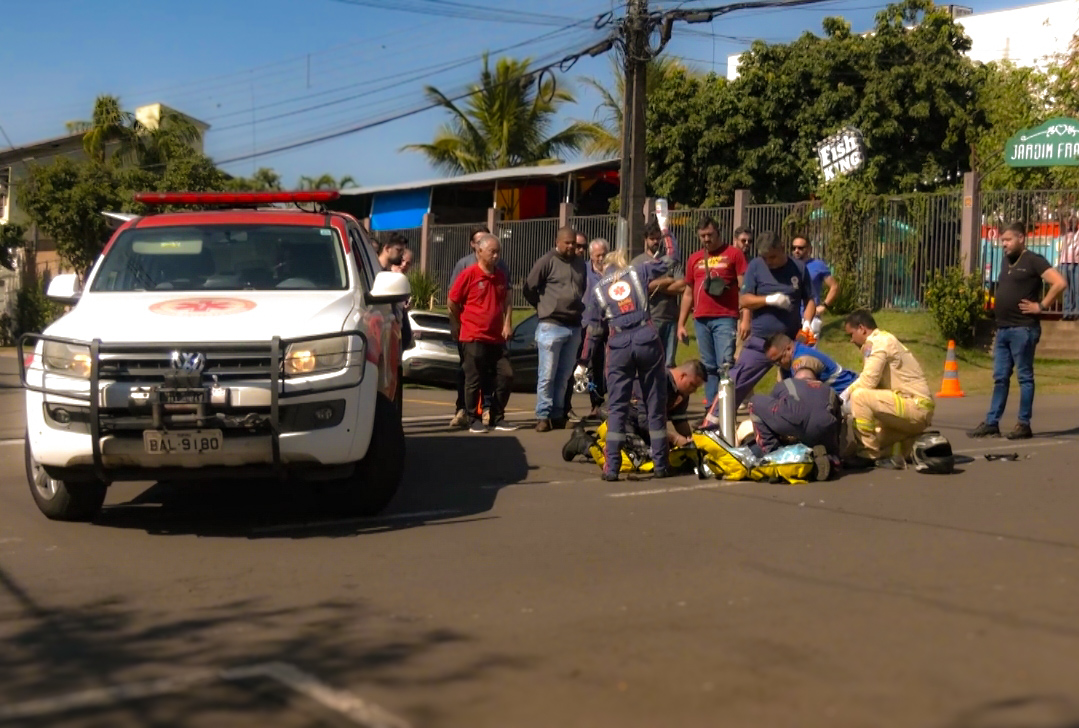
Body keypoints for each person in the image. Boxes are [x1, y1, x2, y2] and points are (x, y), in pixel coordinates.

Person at [577, 250, 676, 479]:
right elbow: (671, 260)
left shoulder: (598, 289)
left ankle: (612, 468)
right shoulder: (638, 271)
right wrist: (666, 230)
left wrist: (583, 361)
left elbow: (592, 330)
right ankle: (661, 464)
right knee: (654, 402)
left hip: (619, 345)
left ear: (604, 268)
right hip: (647, 338)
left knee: (617, 407)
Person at [968, 222, 1067, 439]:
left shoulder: (1033, 260)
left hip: (1024, 329)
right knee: (1000, 377)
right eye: (1002, 240)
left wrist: (1041, 306)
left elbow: (1059, 283)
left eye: (1008, 240)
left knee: (1024, 377)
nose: (1003, 244)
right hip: (1003, 330)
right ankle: (992, 422)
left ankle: (1023, 424)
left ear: (1021, 238)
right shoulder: (1006, 261)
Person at [725, 230, 816, 408]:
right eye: (765, 258)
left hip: (790, 342)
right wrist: (768, 299)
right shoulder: (756, 266)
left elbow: (810, 299)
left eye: (773, 257)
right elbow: (744, 299)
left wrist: (807, 323)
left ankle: (795, 425)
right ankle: (716, 422)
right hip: (761, 340)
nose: (769, 262)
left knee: (800, 388)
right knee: (735, 382)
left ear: (782, 248)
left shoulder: (798, 268)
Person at [562, 360, 707, 462]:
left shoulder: (681, 393)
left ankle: (604, 441)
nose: (693, 391)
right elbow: (645, 421)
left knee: (667, 452)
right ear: (683, 376)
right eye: (693, 385)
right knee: (639, 455)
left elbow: (679, 420)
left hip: (640, 422)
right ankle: (584, 444)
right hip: (620, 413)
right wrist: (675, 438)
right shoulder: (657, 379)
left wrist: (690, 441)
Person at [842, 310, 934, 469]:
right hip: (912, 407)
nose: (851, 340)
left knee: (859, 397)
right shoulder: (881, 341)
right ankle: (911, 443)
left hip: (914, 405)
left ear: (862, 328)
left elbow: (868, 382)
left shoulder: (878, 343)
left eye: (851, 334)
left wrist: (842, 399)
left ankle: (868, 454)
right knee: (859, 445)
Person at [676, 217, 747, 411]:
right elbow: (688, 292)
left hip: (726, 316)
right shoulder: (694, 258)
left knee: (725, 364)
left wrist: (745, 318)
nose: (706, 239)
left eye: (710, 235)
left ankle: (726, 409)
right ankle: (712, 411)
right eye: (702, 236)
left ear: (718, 232)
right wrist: (681, 323)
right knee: (708, 366)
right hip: (701, 319)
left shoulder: (734, 254)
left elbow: (745, 287)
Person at [447, 234, 515, 433]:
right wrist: (460, 322)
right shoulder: (469, 274)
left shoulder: (500, 275)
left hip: (496, 337)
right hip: (473, 336)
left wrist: (507, 323)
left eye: (498, 252)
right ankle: (472, 417)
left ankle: (496, 415)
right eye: (492, 252)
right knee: (473, 378)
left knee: (506, 374)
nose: (496, 256)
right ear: (479, 252)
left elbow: (507, 301)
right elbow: (452, 302)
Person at [523, 226, 587, 432]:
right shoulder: (547, 261)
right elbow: (529, 288)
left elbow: (582, 287)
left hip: (574, 326)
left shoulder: (579, 264)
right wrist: (543, 306)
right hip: (551, 325)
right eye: (567, 242)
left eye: (574, 243)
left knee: (564, 375)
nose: (571, 246)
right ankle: (543, 415)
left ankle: (559, 414)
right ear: (557, 242)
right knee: (547, 374)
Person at [746, 369, 843, 460]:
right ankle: (830, 458)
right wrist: (834, 450)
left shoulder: (787, 383)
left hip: (793, 419)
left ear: (795, 378)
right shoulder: (829, 390)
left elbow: (769, 416)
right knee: (823, 438)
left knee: (754, 402)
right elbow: (838, 421)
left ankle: (772, 453)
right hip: (823, 426)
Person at [633, 220, 686, 367]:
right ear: (645, 239)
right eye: (652, 238)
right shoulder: (637, 263)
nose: (656, 241)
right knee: (650, 360)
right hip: (649, 318)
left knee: (668, 363)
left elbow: (682, 286)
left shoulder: (670, 260)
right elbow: (639, 288)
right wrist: (667, 280)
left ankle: (666, 389)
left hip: (670, 318)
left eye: (658, 238)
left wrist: (654, 284)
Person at [764, 332, 856, 395]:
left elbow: (803, 394)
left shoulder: (802, 360)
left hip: (847, 392)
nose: (778, 364)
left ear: (789, 349)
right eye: (774, 363)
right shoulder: (792, 357)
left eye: (779, 359)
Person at [563, 232, 593, 422]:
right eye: (577, 246)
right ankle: (560, 409)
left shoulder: (589, 268)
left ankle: (595, 407)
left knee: (586, 368)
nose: (579, 250)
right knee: (565, 370)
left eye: (583, 246)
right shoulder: (564, 265)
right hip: (568, 323)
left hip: (587, 325)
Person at [790, 234, 839, 341]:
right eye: (794, 248)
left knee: (808, 351)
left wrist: (824, 305)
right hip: (790, 315)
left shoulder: (818, 265)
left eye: (800, 248)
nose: (796, 251)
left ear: (809, 249)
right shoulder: (788, 265)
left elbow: (834, 286)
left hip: (811, 316)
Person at [1059, 217, 1079, 321]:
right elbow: (1062, 221)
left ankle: (1076, 312)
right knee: (1066, 289)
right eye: (1071, 222)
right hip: (1064, 263)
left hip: (1076, 263)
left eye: (1075, 222)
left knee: (1076, 289)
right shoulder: (1065, 234)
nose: (1072, 224)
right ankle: (1067, 312)